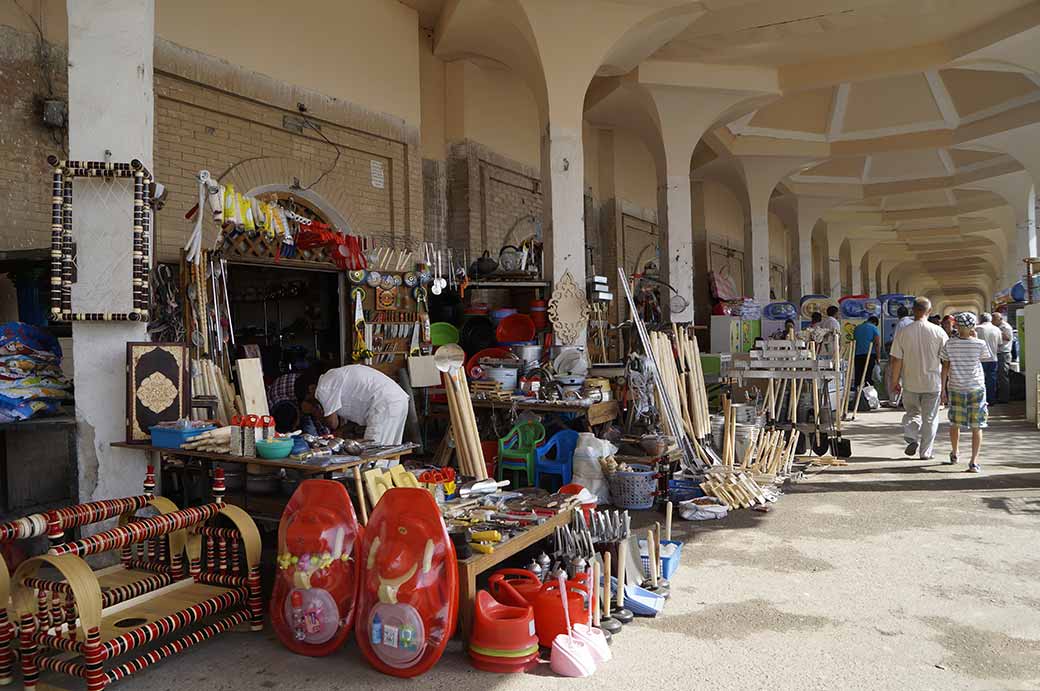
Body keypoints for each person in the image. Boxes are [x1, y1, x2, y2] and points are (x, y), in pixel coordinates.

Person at [888, 297, 948, 460]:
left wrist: (895, 382)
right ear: (929, 311)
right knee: (930, 419)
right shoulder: (939, 332)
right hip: (932, 384)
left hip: (910, 383)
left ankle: (911, 435)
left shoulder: (903, 332)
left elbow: (896, 360)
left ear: (913, 310)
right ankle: (925, 452)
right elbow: (946, 361)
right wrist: (945, 386)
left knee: (912, 413)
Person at [298, 364, 410, 445]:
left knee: (375, 453)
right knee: (390, 451)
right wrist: (342, 430)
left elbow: (333, 423)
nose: (314, 402)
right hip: (396, 399)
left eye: (309, 399)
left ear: (311, 389)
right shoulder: (332, 378)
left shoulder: (323, 388)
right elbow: (355, 409)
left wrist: (313, 411)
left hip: (384, 403)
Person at [940, 313, 993, 472]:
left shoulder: (949, 344)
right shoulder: (980, 344)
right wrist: (974, 338)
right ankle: (973, 461)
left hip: (956, 387)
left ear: (956, 326)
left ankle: (955, 453)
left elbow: (945, 367)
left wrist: (942, 389)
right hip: (976, 388)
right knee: (977, 426)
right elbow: (983, 359)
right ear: (973, 326)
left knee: (954, 423)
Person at [974, 313, 1001, 405]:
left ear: (980, 319)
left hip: (980, 359)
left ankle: (981, 400)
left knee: (979, 380)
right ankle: (991, 399)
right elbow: (1000, 343)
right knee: (991, 380)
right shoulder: (997, 329)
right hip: (993, 358)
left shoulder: (977, 329)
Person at [852, 316, 881, 390]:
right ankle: (868, 394)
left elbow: (855, 341)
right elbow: (877, 343)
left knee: (859, 377)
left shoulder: (857, 328)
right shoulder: (874, 328)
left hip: (857, 355)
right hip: (869, 355)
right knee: (869, 377)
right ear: (874, 322)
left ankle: (858, 393)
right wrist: (878, 357)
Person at [992, 311, 1014, 404]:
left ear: (1000, 319)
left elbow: (1008, 338)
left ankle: (1004, 398)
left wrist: (998, 332)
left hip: (1004, 354)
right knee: (998, 376)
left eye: (994, 319)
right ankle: (999, 396)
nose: (992, 321)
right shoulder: (996, 327)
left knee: (1003, 376)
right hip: (998, 353)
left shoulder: (1005, 327)